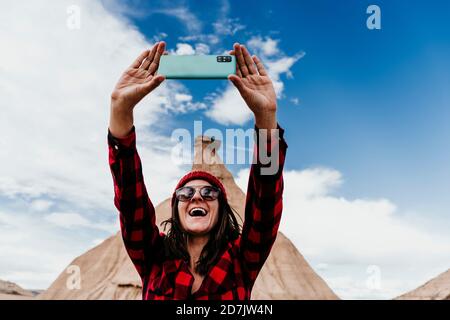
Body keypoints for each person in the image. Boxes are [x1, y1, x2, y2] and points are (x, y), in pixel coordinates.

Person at [108, 41, 288, 300]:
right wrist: (120, 109)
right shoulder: (154, 258)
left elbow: (267, 197)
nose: (196, 197)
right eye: (185, 193)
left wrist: (266, 118)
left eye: (209, 192)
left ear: (222, 208)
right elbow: (129, 196)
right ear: (176, 207)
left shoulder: (242, 260)